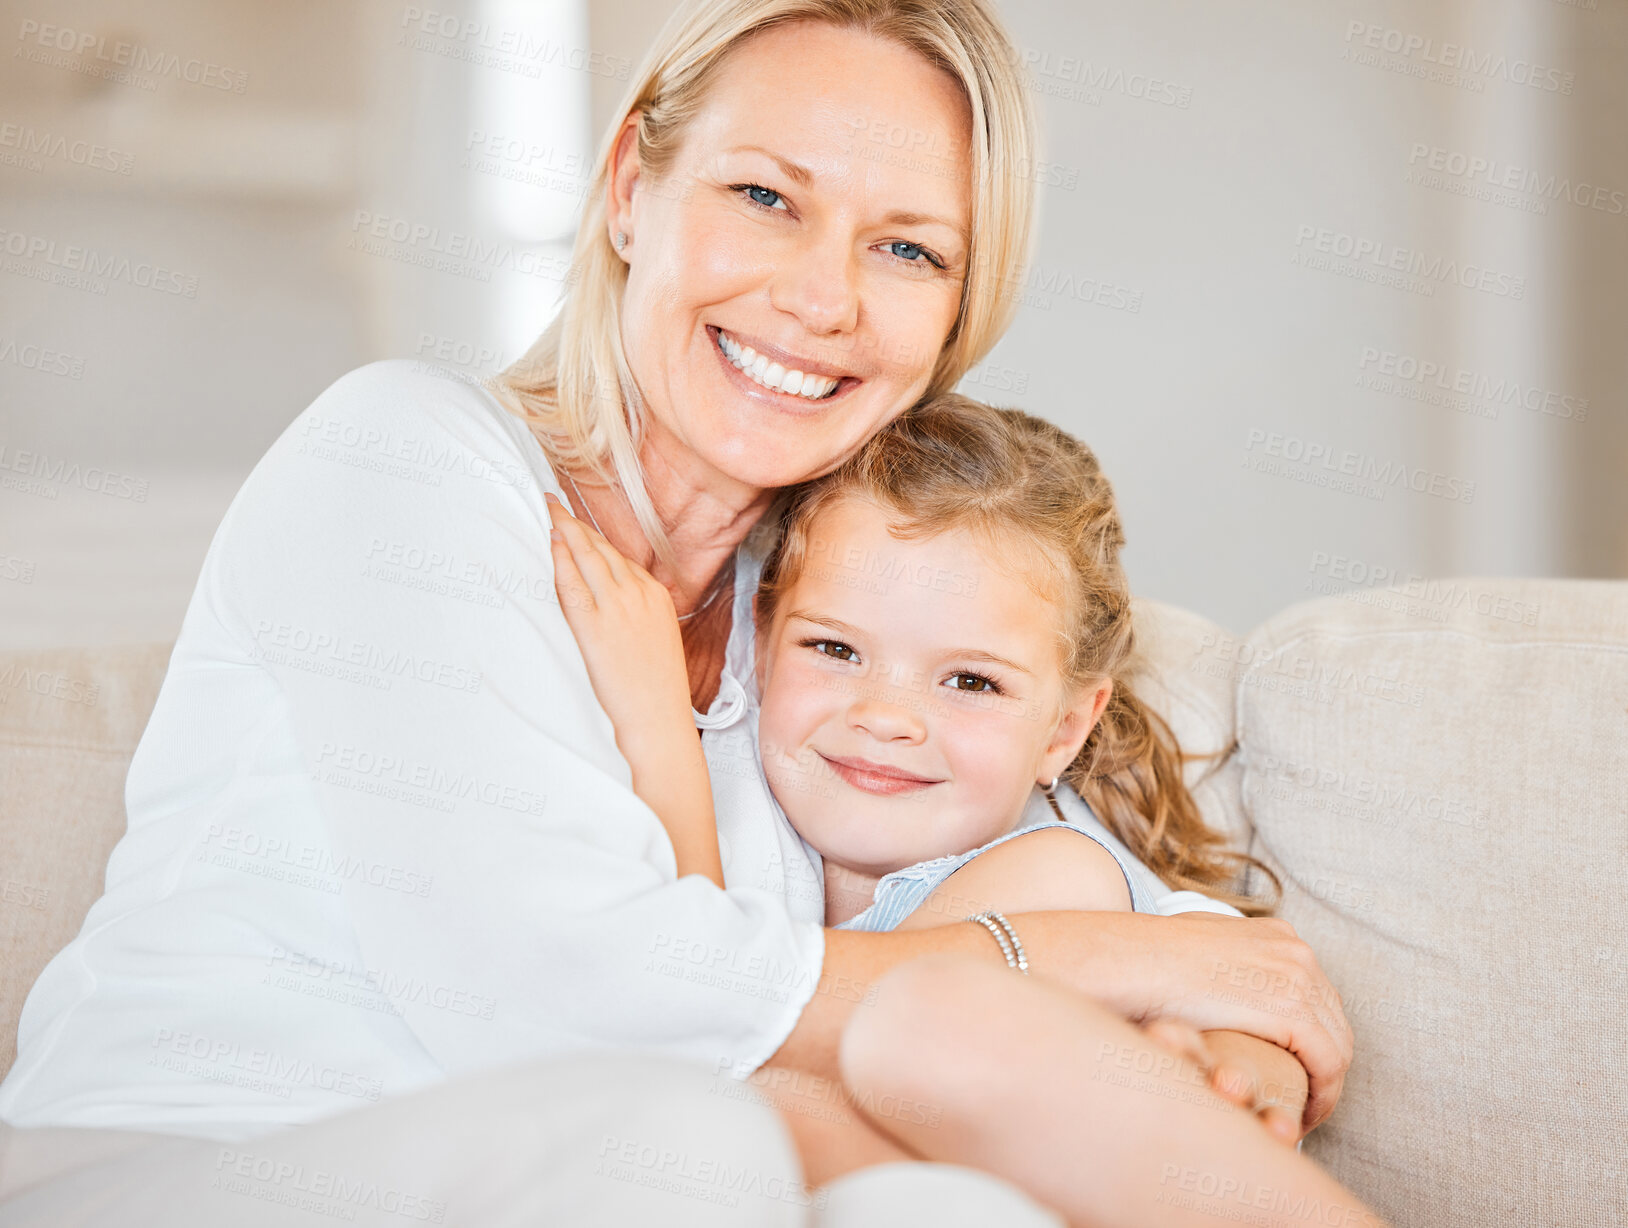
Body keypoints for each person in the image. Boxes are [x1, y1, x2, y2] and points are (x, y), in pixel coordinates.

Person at [0, 0, 1352, 1222]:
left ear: (953, 314)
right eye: (765, 196)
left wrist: (1222, 998)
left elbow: (1041, 832)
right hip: (197, 1161)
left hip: (613, 1163)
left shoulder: (823, 606)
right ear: (629, 190)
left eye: (907, 248)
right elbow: (559, 989)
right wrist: (1083, 964)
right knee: (689, 1147)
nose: (822, 298)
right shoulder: (403, 460)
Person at [547, 393, 1386, 1223]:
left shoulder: (1060, 860)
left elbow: (1241, 986)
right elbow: (697, 1013)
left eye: (971, 681)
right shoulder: (735, 784)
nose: (887, 717)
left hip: (974, 1147)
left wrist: (1236, 1070)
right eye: (834, 649)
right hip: (862, 1175)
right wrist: (659, 719)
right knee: (743, 1112)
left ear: (1063, 730)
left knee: (924, 1007)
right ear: (761, 649)